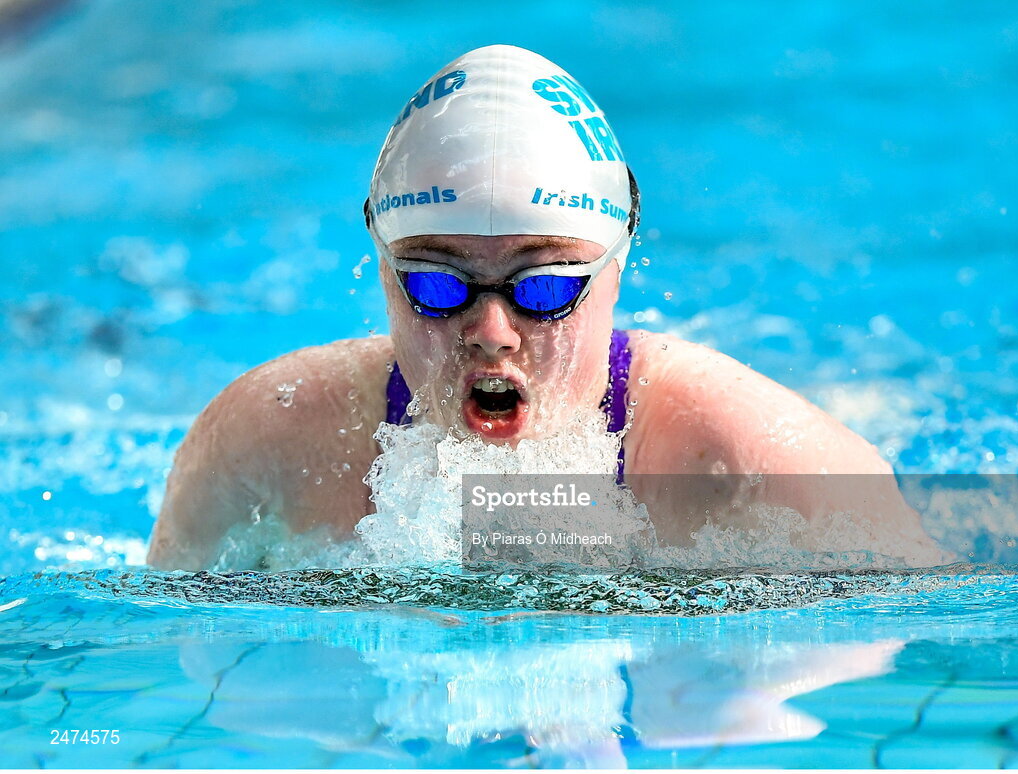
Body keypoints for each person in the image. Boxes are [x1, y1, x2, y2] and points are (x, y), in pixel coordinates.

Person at [147, 44, 941, 570]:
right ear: (379, 264)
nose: (492, 336)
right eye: (436, 285)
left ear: (617, 266)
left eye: (547, 290)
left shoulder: (766, 468)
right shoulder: (264, 439)